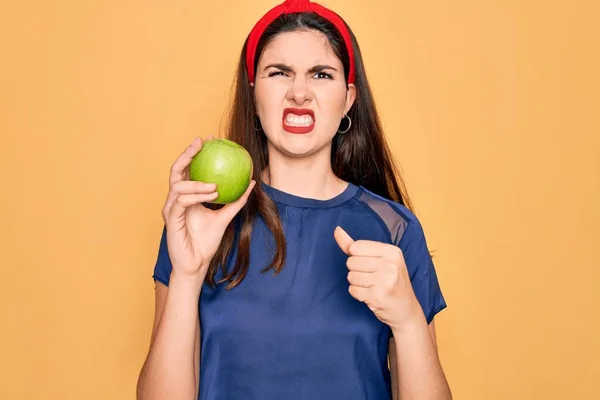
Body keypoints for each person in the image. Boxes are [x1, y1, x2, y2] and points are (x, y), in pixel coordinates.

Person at [136, 0, 452, 399]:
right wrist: (186, 276)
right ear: (254, 93)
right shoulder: (201, 223)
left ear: (348, 99)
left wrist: (408, 320)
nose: (299, 93)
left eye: (321, 74)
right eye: (279, 72)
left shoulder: (394, 229)